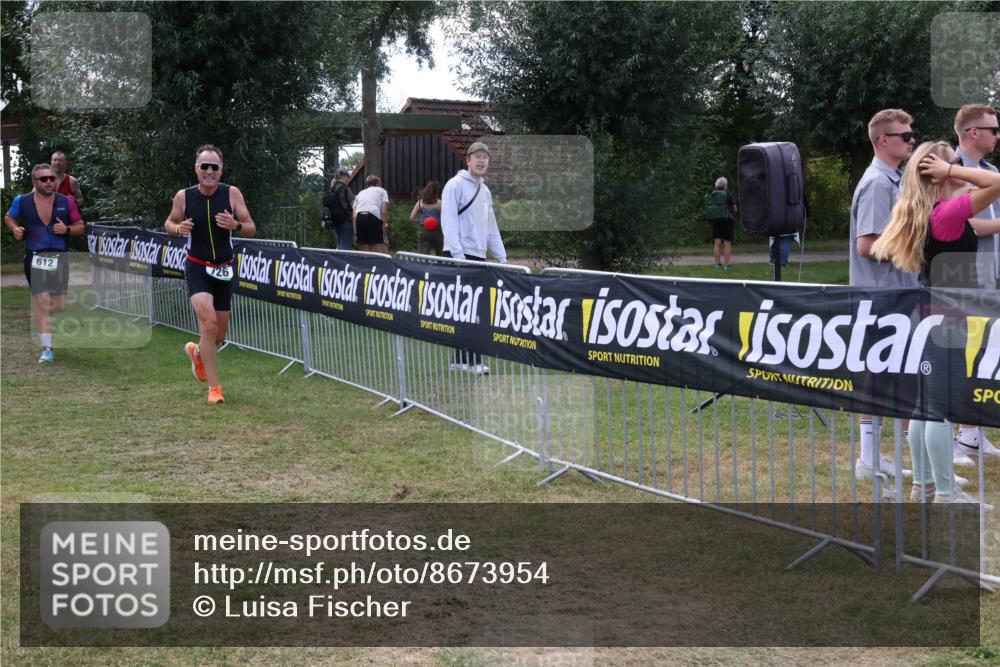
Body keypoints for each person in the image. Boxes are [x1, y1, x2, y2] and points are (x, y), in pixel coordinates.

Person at [871, 141, 1000, 506]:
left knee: (926, 408)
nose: (960, 168)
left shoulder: (941, 213)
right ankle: (945, 492)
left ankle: (924, 486)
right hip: (946, 321)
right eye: (954, 164)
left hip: (931, 316)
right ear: (937, 174)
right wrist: (953, 171)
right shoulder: (947, 214)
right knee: (942, 408)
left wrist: (950, 170)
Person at [849, 108, 919, 481]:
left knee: (898, 377)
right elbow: (867, 245)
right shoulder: (878, 182)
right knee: (878, 377)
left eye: (911, 135)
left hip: (896, 294)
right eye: (905, 136)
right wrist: (915, 248)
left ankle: (881, 457)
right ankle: (868, 459)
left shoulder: (894, 179)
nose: (911, 140)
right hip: (881, 297)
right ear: (883, 141)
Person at [165, 144, 256, 405]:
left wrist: (235, 225)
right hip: (196, 266)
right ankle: (215, 388)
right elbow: (169, 222)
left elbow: (251, 227)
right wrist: (178, 228)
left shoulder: (232, 194)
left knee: (219, 335)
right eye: (203, 166)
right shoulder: (184, 196)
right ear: (196, 169)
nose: (208, 171)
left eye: (213, 167)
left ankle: (198, 353)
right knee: (208, 324)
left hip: (224, 268)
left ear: (220, 170)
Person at [951, 104, 1000, 460]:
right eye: (993, 130)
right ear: (973, 132)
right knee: (960, 353)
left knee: (982, 352)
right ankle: (958, 434)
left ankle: (972, 432)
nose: (998, 136)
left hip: (990, 275)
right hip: (962, 274)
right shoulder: (951, 171)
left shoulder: (991, 171)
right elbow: (965, 226)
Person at [4, 163, 85, 363]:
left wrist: (66, 230)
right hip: (35, 256)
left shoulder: (66, 202)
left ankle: (47, 318)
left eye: (52, 178)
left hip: (58, 256)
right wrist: (14, 229)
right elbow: (9, 217)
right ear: (35, 181)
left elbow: (80, 226)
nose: (49, 182)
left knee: (58, 305)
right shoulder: (21, 201)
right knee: (41, 302)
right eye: (44, 179)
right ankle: (47, 349)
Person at [441, 141, 507, 374]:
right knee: (469, 310)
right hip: (459, 255)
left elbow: (491, 227)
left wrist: (502, 258)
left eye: (485, 157)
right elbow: (448, 221)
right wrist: (458, 255)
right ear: (467, 160)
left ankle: (460, 360)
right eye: (476, 156)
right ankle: (473, 362)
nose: (481, 160)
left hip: (477, 256)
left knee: (472, 309)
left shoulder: (485, 191)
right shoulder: (454, 185)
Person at [704, 177, 737, 270]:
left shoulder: (712, 195)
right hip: (727, 221)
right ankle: (727, 265)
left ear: (716, 185)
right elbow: (735, 209)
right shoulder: (728, 195)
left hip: (715, 220)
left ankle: (717, 264)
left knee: (717, 242)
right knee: (727, 243)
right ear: (725, 185)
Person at [353, 175, 389, 253]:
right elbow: (383, 211)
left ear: (367, 184)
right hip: (372, 217)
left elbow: (354, 215)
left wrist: (356, 233)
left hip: (360, 218)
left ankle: (367, 265)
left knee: (365, 251)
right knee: (378, 249)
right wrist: (384, 225)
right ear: (378, 183)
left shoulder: (360, 193)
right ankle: (379, 264)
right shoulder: (382, 191)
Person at [323, 166, 355, 250]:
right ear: (343, 176)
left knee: (339, 245)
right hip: (346, 221)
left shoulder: (332, 189)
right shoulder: (345, 189)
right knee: (345, 247)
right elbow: (354, 206)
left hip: (335, 221)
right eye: (348, 177)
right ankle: (345, 263)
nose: (349, 179)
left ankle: (337, 262)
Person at [409, 180, 444, 256]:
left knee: (423, 256)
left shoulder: (419, 203)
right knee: (441, 255)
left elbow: (411, 218)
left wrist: (422, 221)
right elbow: (446, 218)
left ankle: (423, 268)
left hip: (424, 231)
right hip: (438, 232)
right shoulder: (440, 203)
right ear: (437, 191)